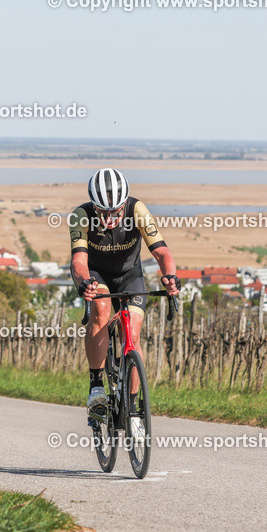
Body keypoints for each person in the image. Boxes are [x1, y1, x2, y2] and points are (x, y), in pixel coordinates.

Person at [69, 168, 180, 439]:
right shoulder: (80, 216)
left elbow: (162, 251)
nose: (109, 218)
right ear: (93, 206)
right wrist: (84, 282)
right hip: (97, 276)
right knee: (102, 310)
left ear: (124, 205)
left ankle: (131, 408)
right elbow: (78, 261)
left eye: (115, 212)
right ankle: (96, 385)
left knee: (133, 334)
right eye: (102, 212)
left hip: (130, 275)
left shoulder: (137, 210)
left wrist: (170, 276)